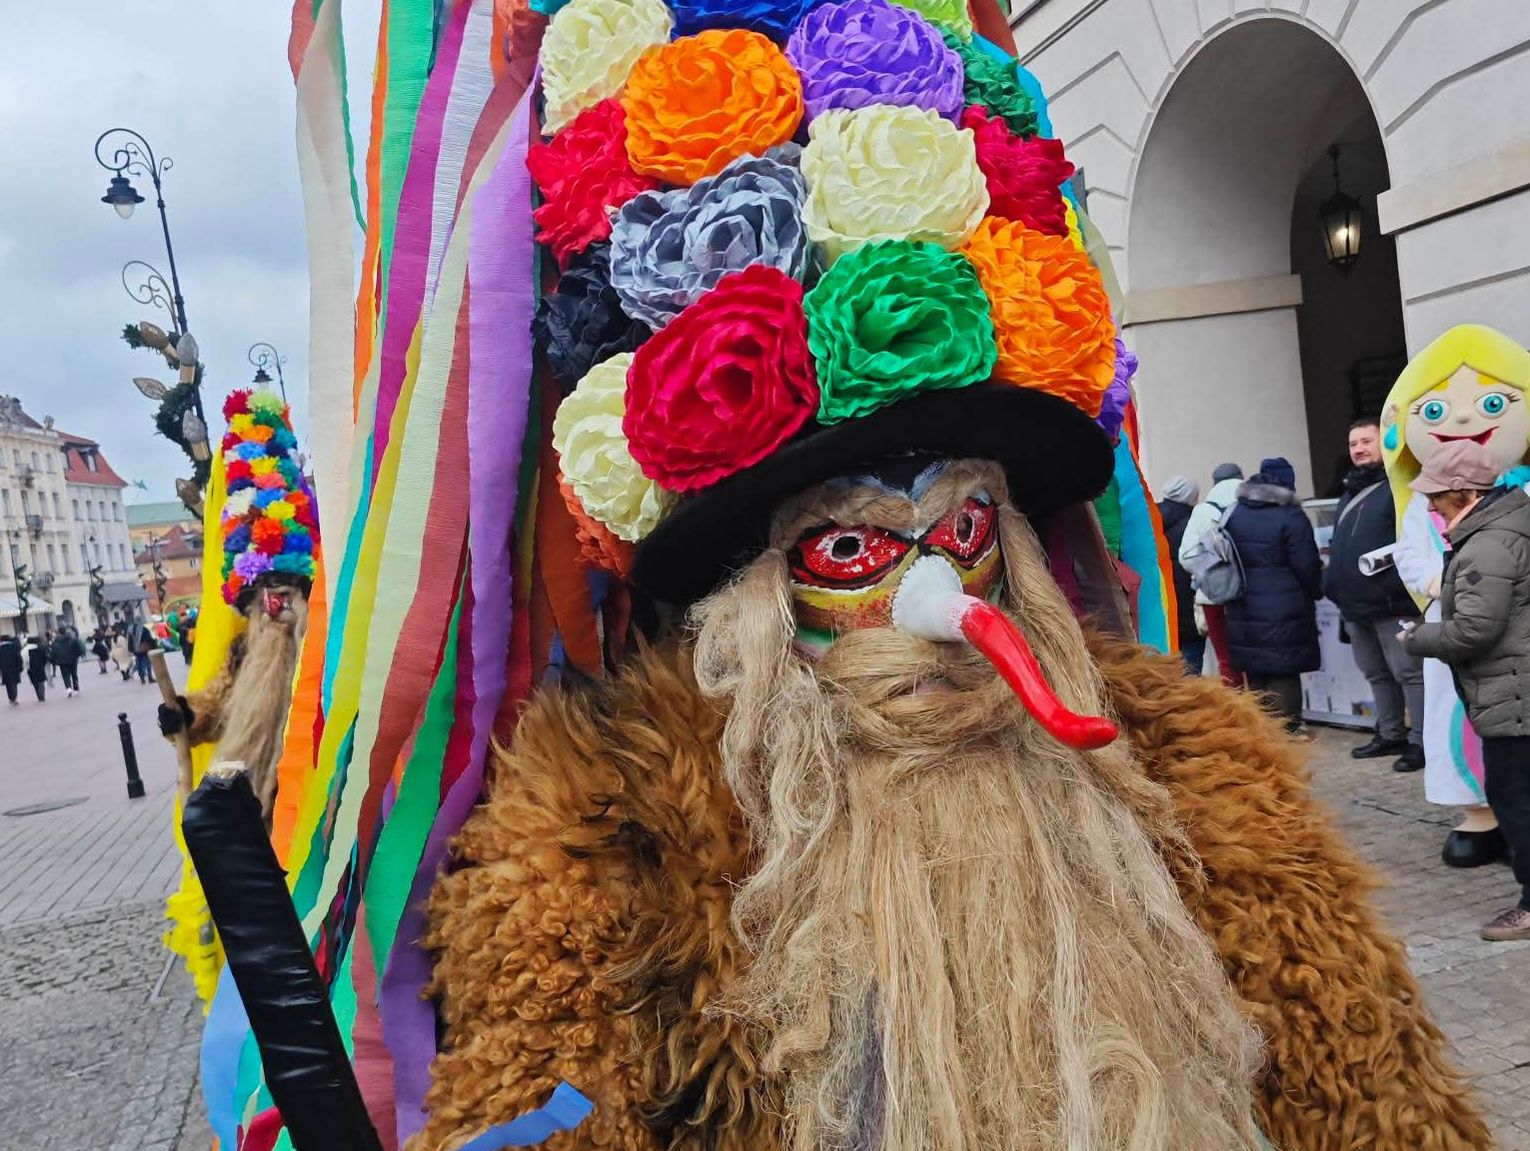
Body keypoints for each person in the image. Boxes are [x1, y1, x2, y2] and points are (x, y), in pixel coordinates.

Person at [1384, 325, 1530, 867]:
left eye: (1493, 403)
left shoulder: (1504, 516)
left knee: (1508, 743)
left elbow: (1479, 624)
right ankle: (1479, 810)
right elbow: (1408, 551)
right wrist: (1431, 585)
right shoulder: (1428, 505)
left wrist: (1419, 636)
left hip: (1489, 646)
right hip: (1454, 632)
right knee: (1461, 723)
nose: (1466, 419)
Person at [1402, 439, 1530, 941]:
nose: (1431, 507)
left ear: (1463, 492)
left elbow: (1475, 630)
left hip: (1513, 695)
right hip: (1516, 689)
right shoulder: (1508, 525)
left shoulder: (1488, 543)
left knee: (1514, 798)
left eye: (1436, 496)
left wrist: (1417, 638)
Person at [1325, 417, 1425, 773]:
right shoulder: (1349, 492)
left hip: (1391, 602)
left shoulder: (1400, 487)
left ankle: (1421, 742)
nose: (1359, 449)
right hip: (1355, 605)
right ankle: (1391, 733)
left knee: (1409, 673)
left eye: (1366, 441)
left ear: (1385, 444)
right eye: (1354, 444)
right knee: (1376, 674)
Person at [1222, 457, 1322, 733]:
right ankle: (1286, 733)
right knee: (1284, 671)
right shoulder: (1290, 515)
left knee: (1256, 673)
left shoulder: (1235, 512)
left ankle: (1263, 734)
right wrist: (1318, 589)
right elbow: (1307, 565)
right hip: (1285, 607)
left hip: (1243, 606)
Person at [1178, 462, 1244, 686]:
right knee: (1253, 656)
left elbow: (1186, 557)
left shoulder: (1202, 511)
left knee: (1225, 659)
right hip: (1247, 593)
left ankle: (1235, 704)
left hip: (1212, 597)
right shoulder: (1249, 506)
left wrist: (1210, 571)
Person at [1158, 475, 1203, 675]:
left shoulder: (1151, 517)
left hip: (1160, 602)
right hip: (1188, 603)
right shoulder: (1193, 523)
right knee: (1191, 664)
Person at [49, 628, 82, 698]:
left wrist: (53, 660)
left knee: (65, 675)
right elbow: (77, 647)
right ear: (65, 631)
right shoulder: (71, 638)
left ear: (59, 632)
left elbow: (53, 651)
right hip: (73, 659)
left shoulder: (56, 641)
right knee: (74, 674)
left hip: (62, 661)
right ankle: (76, 689)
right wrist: (78, 655)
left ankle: (68, 689)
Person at [22, 635, 47, 702]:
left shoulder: (25, 650)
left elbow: (23, 660)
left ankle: (39, 694)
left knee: (35, 682)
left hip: (30, 668)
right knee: (41, 681)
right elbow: (44, 657)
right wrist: (43, 664)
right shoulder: (40, 648)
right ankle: (42, 694)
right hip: (40, 667)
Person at [0, 635, 20, 705]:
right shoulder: (13, 647)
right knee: (14, 683)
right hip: (14, 668)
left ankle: (11, 698)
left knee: (8, 684)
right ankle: (15, 697)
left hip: (4, 669)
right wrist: (19, 666)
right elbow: (18, 657)